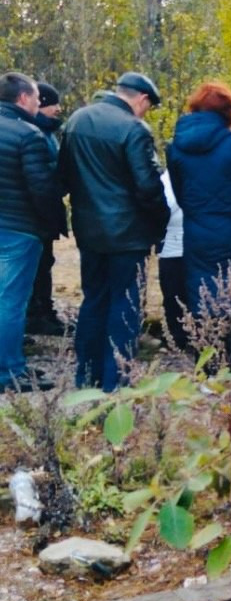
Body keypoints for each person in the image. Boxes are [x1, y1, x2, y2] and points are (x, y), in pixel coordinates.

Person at [60, 72, 168, 392]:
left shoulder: (77, 120)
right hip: (128, 233)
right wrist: (160, 223)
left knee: (93, 299)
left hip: (88, 229)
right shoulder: (134, 129)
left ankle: (86, 375)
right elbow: (147, 186)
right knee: (125, 305)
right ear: (142, 99)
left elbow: (63, 175)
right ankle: (116, 380)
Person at [167, 83, 231, 394]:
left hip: (197, 233)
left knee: (203, 299)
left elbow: (181, 194)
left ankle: (209, 376)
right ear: (229, 112)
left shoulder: (175, 147)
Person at [0, 73, 64, 392]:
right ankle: (9, 370)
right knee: (11, 301)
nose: (40, 104)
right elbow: (42, 188)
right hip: (18, 228)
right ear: (23, 98)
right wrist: (53, 224)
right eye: (38, 98)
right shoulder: (29, 135)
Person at [24, 82, 68, 336]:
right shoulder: (34, 133)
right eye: (53, 103)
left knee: (44, 264)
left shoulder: (46, 132)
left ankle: (44, 313)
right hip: (34, 215)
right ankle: (35, 316)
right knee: (35, 267)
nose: (58, 109)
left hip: (42, 213)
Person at [157, 169, 189, 350]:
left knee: (173, 293)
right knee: (177, 293)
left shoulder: (167, 178)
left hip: (173, 241)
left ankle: (178, 336)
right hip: (179, 240)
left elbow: (165, 205)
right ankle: (180, 336)